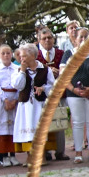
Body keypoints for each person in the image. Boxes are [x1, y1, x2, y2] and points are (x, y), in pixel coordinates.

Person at [62, 27, 89, 163]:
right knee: (77, 122)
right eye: (81, 37)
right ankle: (78, 153)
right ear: (75, 39)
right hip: (74, 94)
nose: (83, 39)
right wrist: (74, 89)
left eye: (86, 37)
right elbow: (63, 75)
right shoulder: (68, 54)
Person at [10, 43, 55, 159]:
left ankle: (42, 156)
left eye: (24, 56)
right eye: (20, 56)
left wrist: (43, 88)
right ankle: (30, 156)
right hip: (25, 105)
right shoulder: (18, 70)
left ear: (33, 56)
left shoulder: (45, 69)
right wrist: (22, 72)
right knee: (27, 130)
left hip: (39, 105)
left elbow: (53, 86)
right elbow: (18, 85)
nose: (21, 58)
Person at [36, 26, 69, 161]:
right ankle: (47, 150)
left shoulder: (61, 53)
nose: (47, 41)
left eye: (49, 38)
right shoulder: (35, 55)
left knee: (59, 122)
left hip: (59, 92)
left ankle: (60, 151)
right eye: (44, 38)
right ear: (39, 40)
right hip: (41, 94)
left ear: (53, 39)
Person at [0, 44, 21, 167]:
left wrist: (15, 100)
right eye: (3, 53)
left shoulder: (17, 68)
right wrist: (5, 100)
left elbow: (20, 85)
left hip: (14, 99)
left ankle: (13, 154)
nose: (6, 55)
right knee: (2, 128)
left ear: (12, 54)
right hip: (2, 100)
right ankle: (4, 156)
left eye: (8, 53)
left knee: (13, 129)